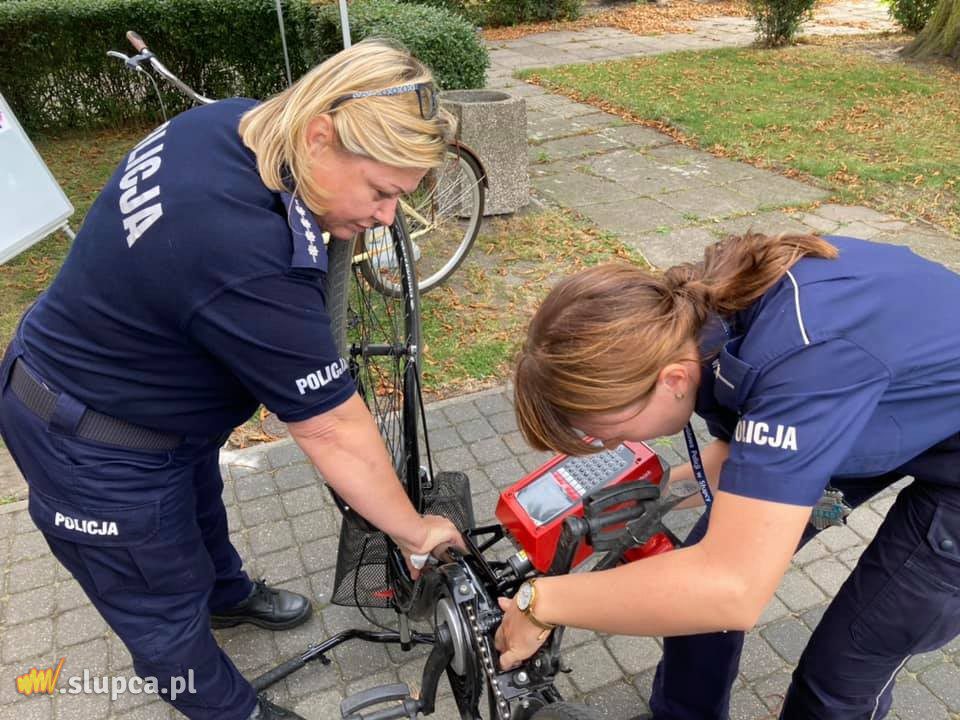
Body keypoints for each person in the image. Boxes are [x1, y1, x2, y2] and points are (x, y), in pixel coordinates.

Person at [0, 39, 464, 720]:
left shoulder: (231, 124)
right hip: (91, 442)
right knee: (160, 606)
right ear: (320, 136)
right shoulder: (245, 252)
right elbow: (333, 429)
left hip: (149, 404)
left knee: (196, 508)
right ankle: (232, 710)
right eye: (381, 191)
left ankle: (226, 595)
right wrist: (415, 533)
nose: (387, 216)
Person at [495, 232, 960, 719]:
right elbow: (747, 458)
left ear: (673, 380)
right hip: (884, 404)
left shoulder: (797, 360)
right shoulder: (701, 323)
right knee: (692, 581)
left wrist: (539, 601)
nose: (608, 445)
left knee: (840, 671)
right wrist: (652, 492)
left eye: (604, 432)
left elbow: (731, 588)